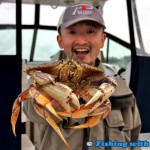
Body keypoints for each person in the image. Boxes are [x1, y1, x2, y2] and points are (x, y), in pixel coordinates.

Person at [23, 2, 141, 150]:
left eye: (90, 31)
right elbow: (29, 109)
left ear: (103, 40)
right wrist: (49, 104)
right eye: (72, 32)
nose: (81, 40)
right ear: (60, 40)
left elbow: (134, 138)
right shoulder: (46, 78)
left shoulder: (120, 87)